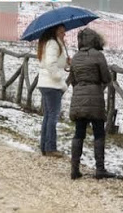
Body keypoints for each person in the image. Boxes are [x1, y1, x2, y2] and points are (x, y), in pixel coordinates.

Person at [68, 28, 115, 180]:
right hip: (95, 96)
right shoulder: (98, 55)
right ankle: (100, 169)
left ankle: (74, 169)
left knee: (79, 133)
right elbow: (107, 77)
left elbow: (73, 79)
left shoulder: (75, 57)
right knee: (99, 133)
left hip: (79, 97)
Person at [36, 25, 71, 157]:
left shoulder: (52, 43)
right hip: (51, 84)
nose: (64, 34)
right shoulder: (53, 43)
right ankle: (50, 147)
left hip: (46, 83)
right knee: (53, 116)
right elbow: (51, 64)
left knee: (48, 116)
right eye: (61, 31)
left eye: (64, 31)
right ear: (54, 31)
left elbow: (56, 62)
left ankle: (44, 146)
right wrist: (58, 77)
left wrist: (67, 63)